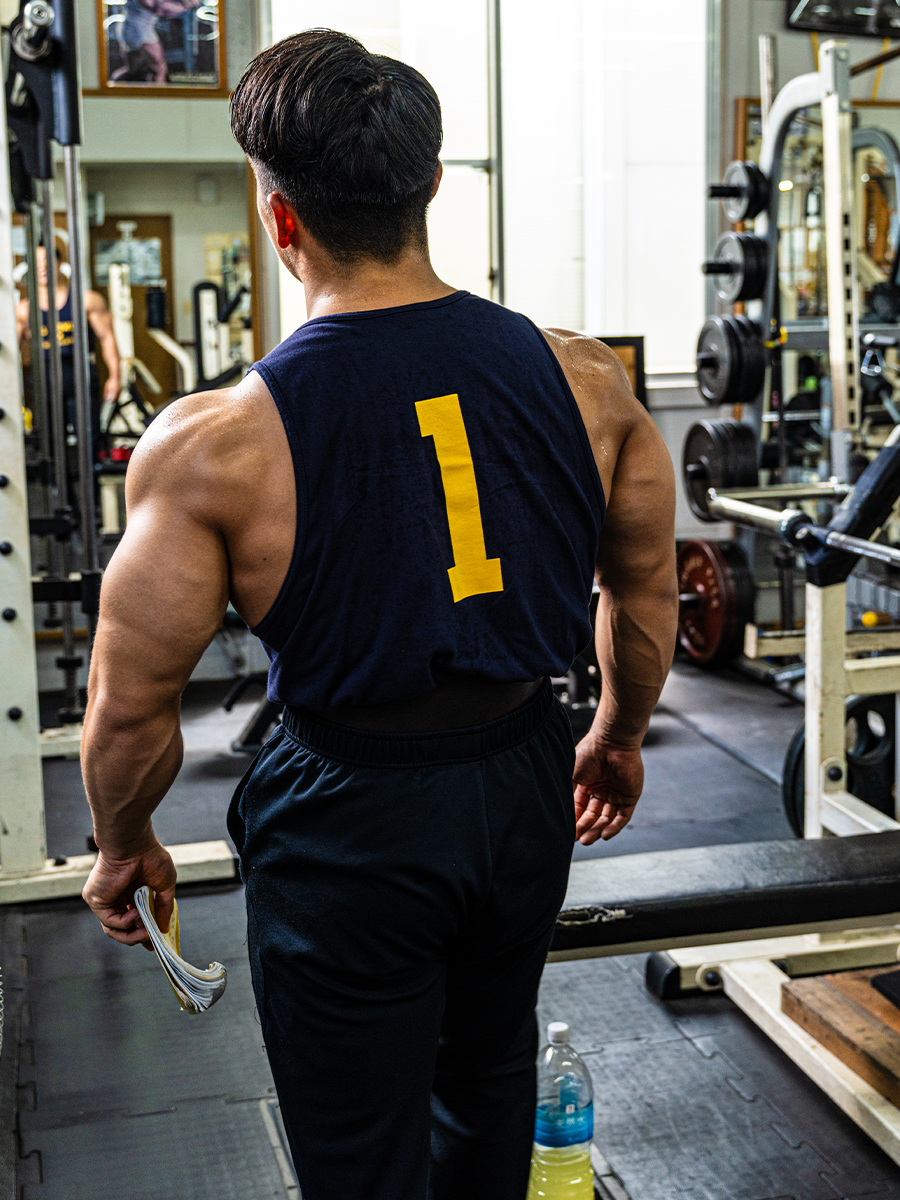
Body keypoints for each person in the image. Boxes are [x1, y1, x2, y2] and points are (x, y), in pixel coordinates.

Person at [81, 29, 677, 1200]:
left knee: (359, 1147)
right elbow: (645, 589)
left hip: (350, 817)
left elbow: (130, 706)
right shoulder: (590, 378)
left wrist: (121, 844)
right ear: (432, 192)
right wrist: (613, 732)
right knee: (489, 1077)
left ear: (280, 219)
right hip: (521, 784)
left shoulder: (215, 444)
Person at [16, 241, 121, 456]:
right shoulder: (24, 310)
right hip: (43, 375)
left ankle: (90, 489)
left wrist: (115, 377)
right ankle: (59, 489)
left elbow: (106, 337)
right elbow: (12, 351)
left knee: (89, 440)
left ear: (60, 262)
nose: (43, 267)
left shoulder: (86, 300)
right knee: (50, 443)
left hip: (79, 373)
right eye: (37, 263)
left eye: (47, 261)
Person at [111, 0, 203, 84]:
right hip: (137, 30)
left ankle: (111, 86)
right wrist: (185, 7)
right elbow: (160, 10)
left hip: (140, 28)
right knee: (159, 69)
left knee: (134, 70)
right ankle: (159, 98)